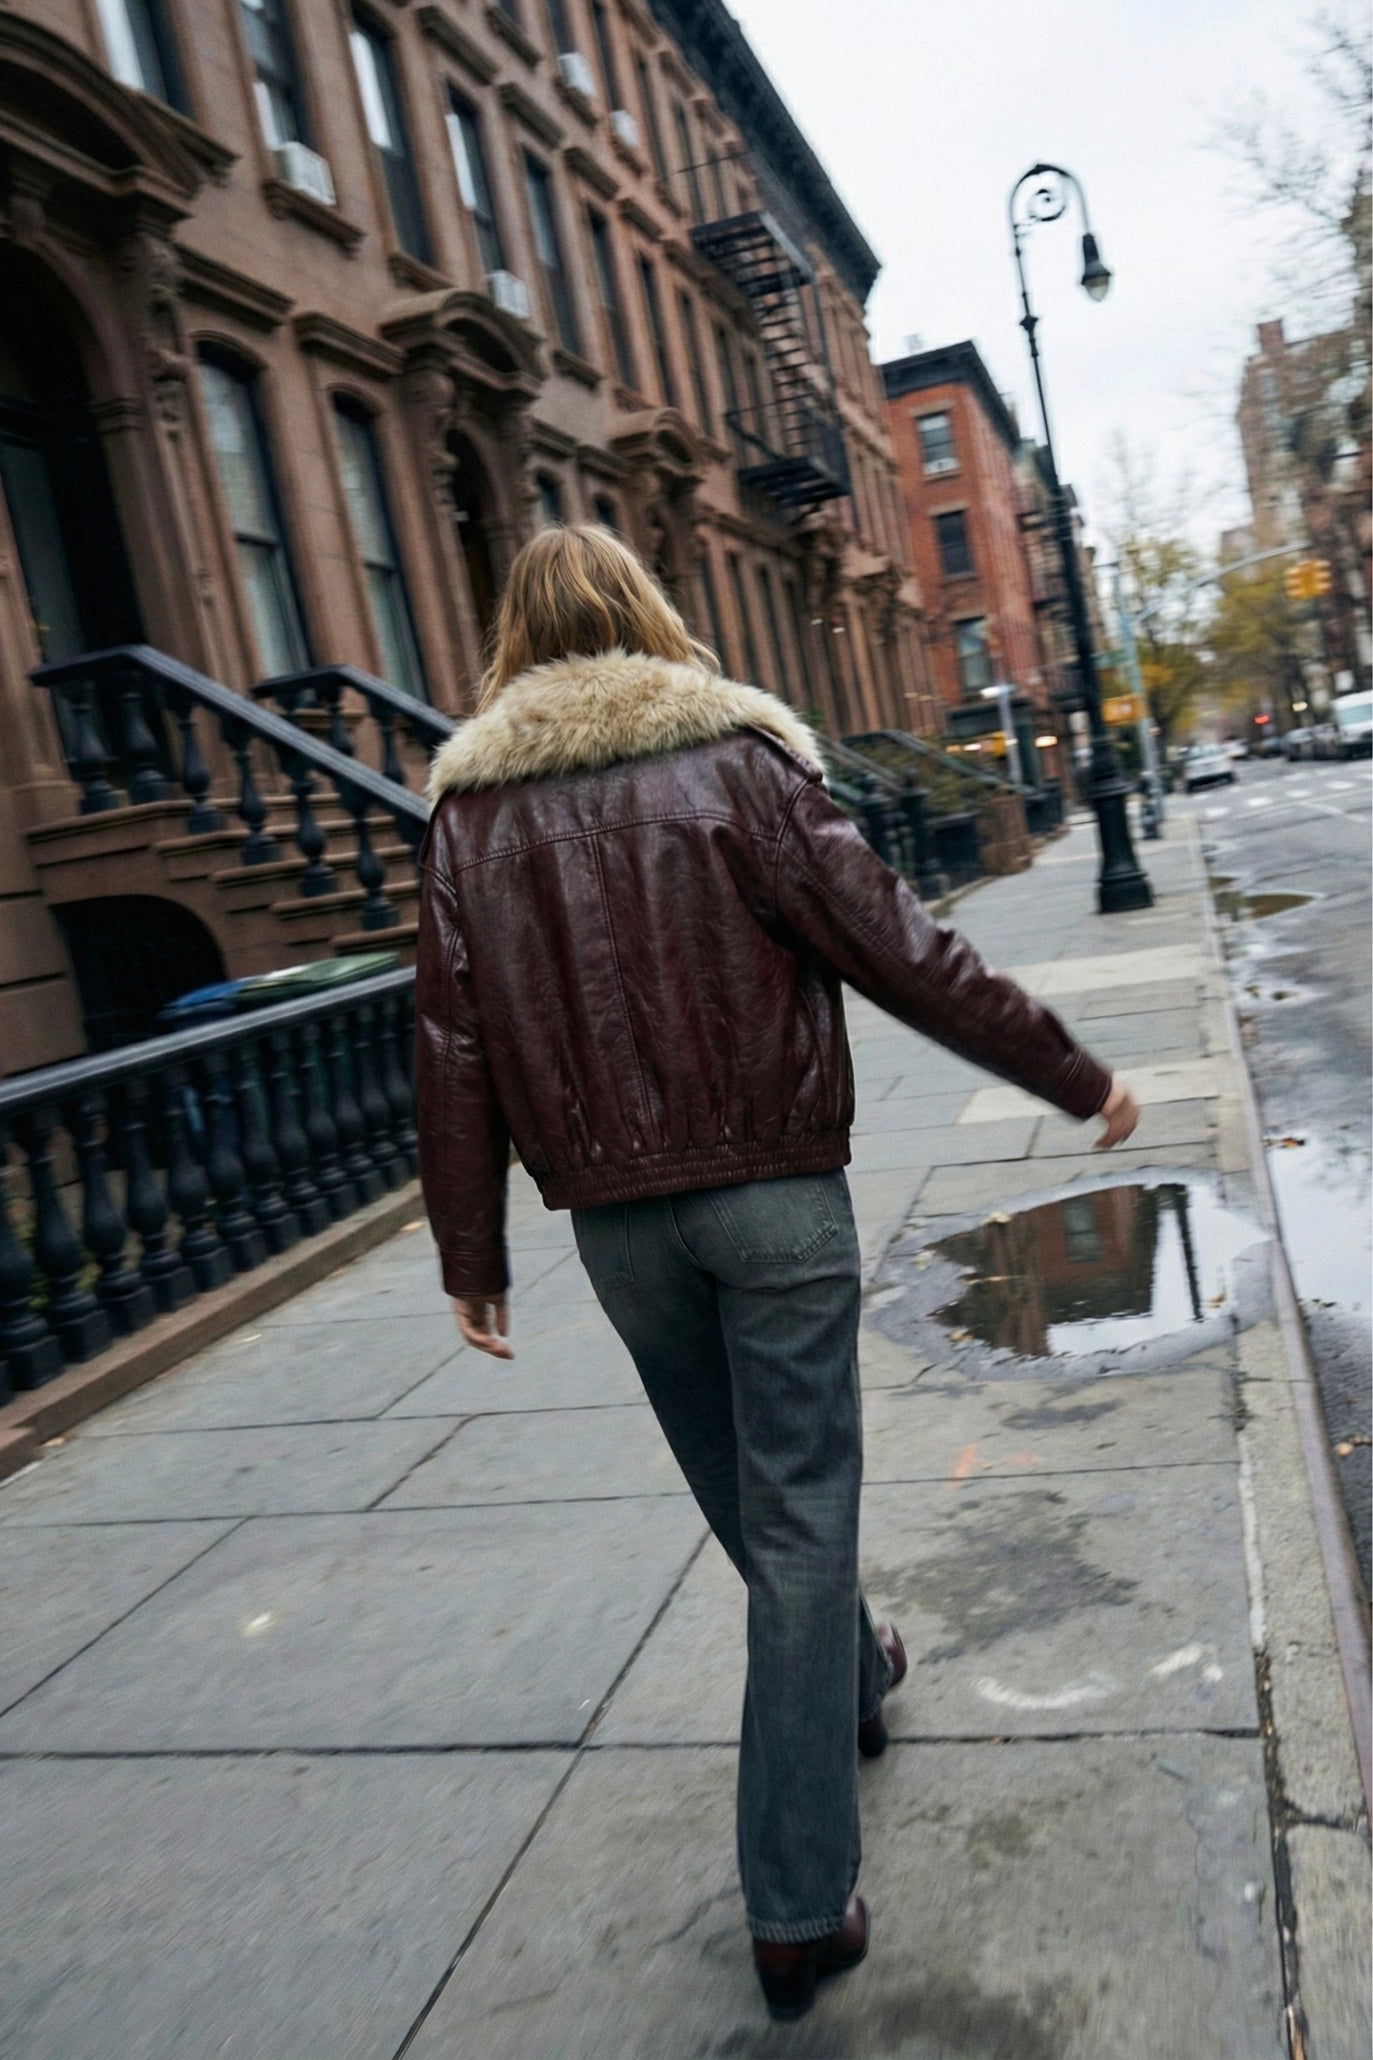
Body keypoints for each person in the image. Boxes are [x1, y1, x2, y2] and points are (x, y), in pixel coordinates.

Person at [415, 525, 1138, 2022]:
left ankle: (854, 1673)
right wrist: (1069, 1075)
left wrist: (470, 1256)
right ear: (645, 612)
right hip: (772, 1200)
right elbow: (902, 949)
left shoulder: (469, 819)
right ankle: (798, 1901)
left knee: (758, 1516)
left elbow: (452, 1042)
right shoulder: (737, 762)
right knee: (798, 1520)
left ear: (512, 645)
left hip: (618, 1230)